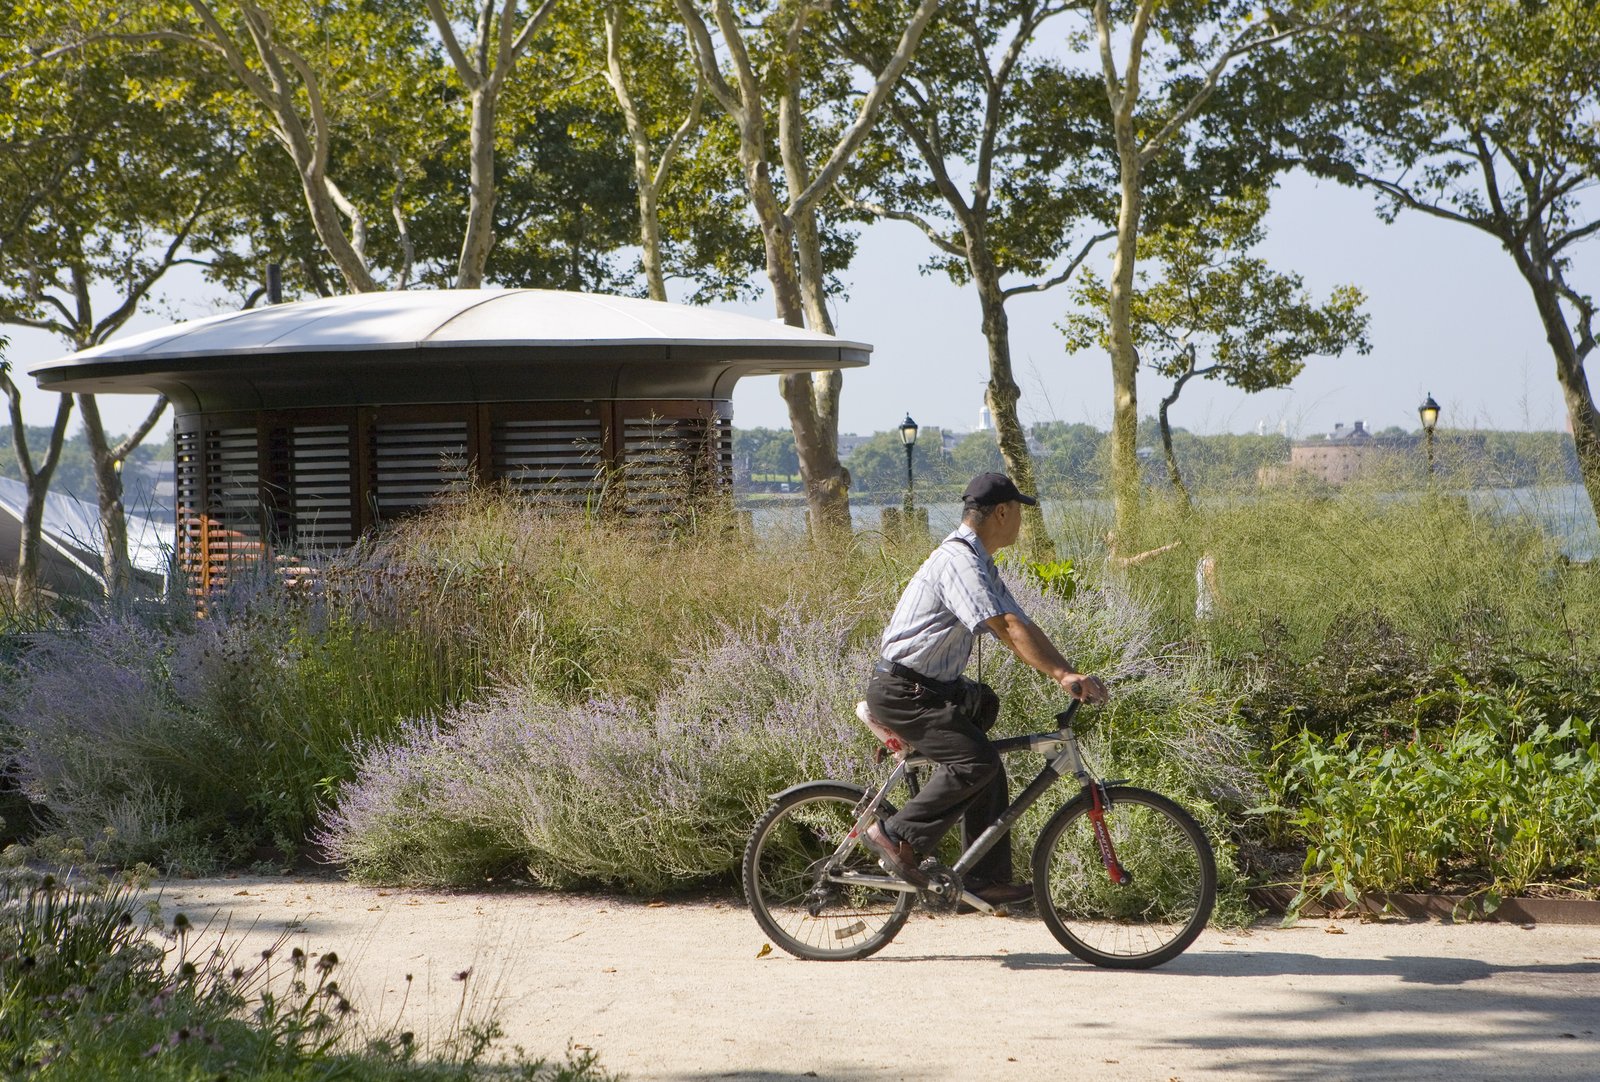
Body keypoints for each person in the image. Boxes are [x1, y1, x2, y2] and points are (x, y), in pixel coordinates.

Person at [861, 472, 1110, 907]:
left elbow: (1021, 623)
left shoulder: (981, 562)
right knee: (976, 761)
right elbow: (1004, 628)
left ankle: (982, 877)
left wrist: (1071, 672)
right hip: (904, 691)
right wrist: (1060, 676)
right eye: (1019, 512)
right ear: (1002, 512)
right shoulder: (959, 562)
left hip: (933, 689)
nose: (1021, 522)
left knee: (986, 731)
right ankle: (894, 833)